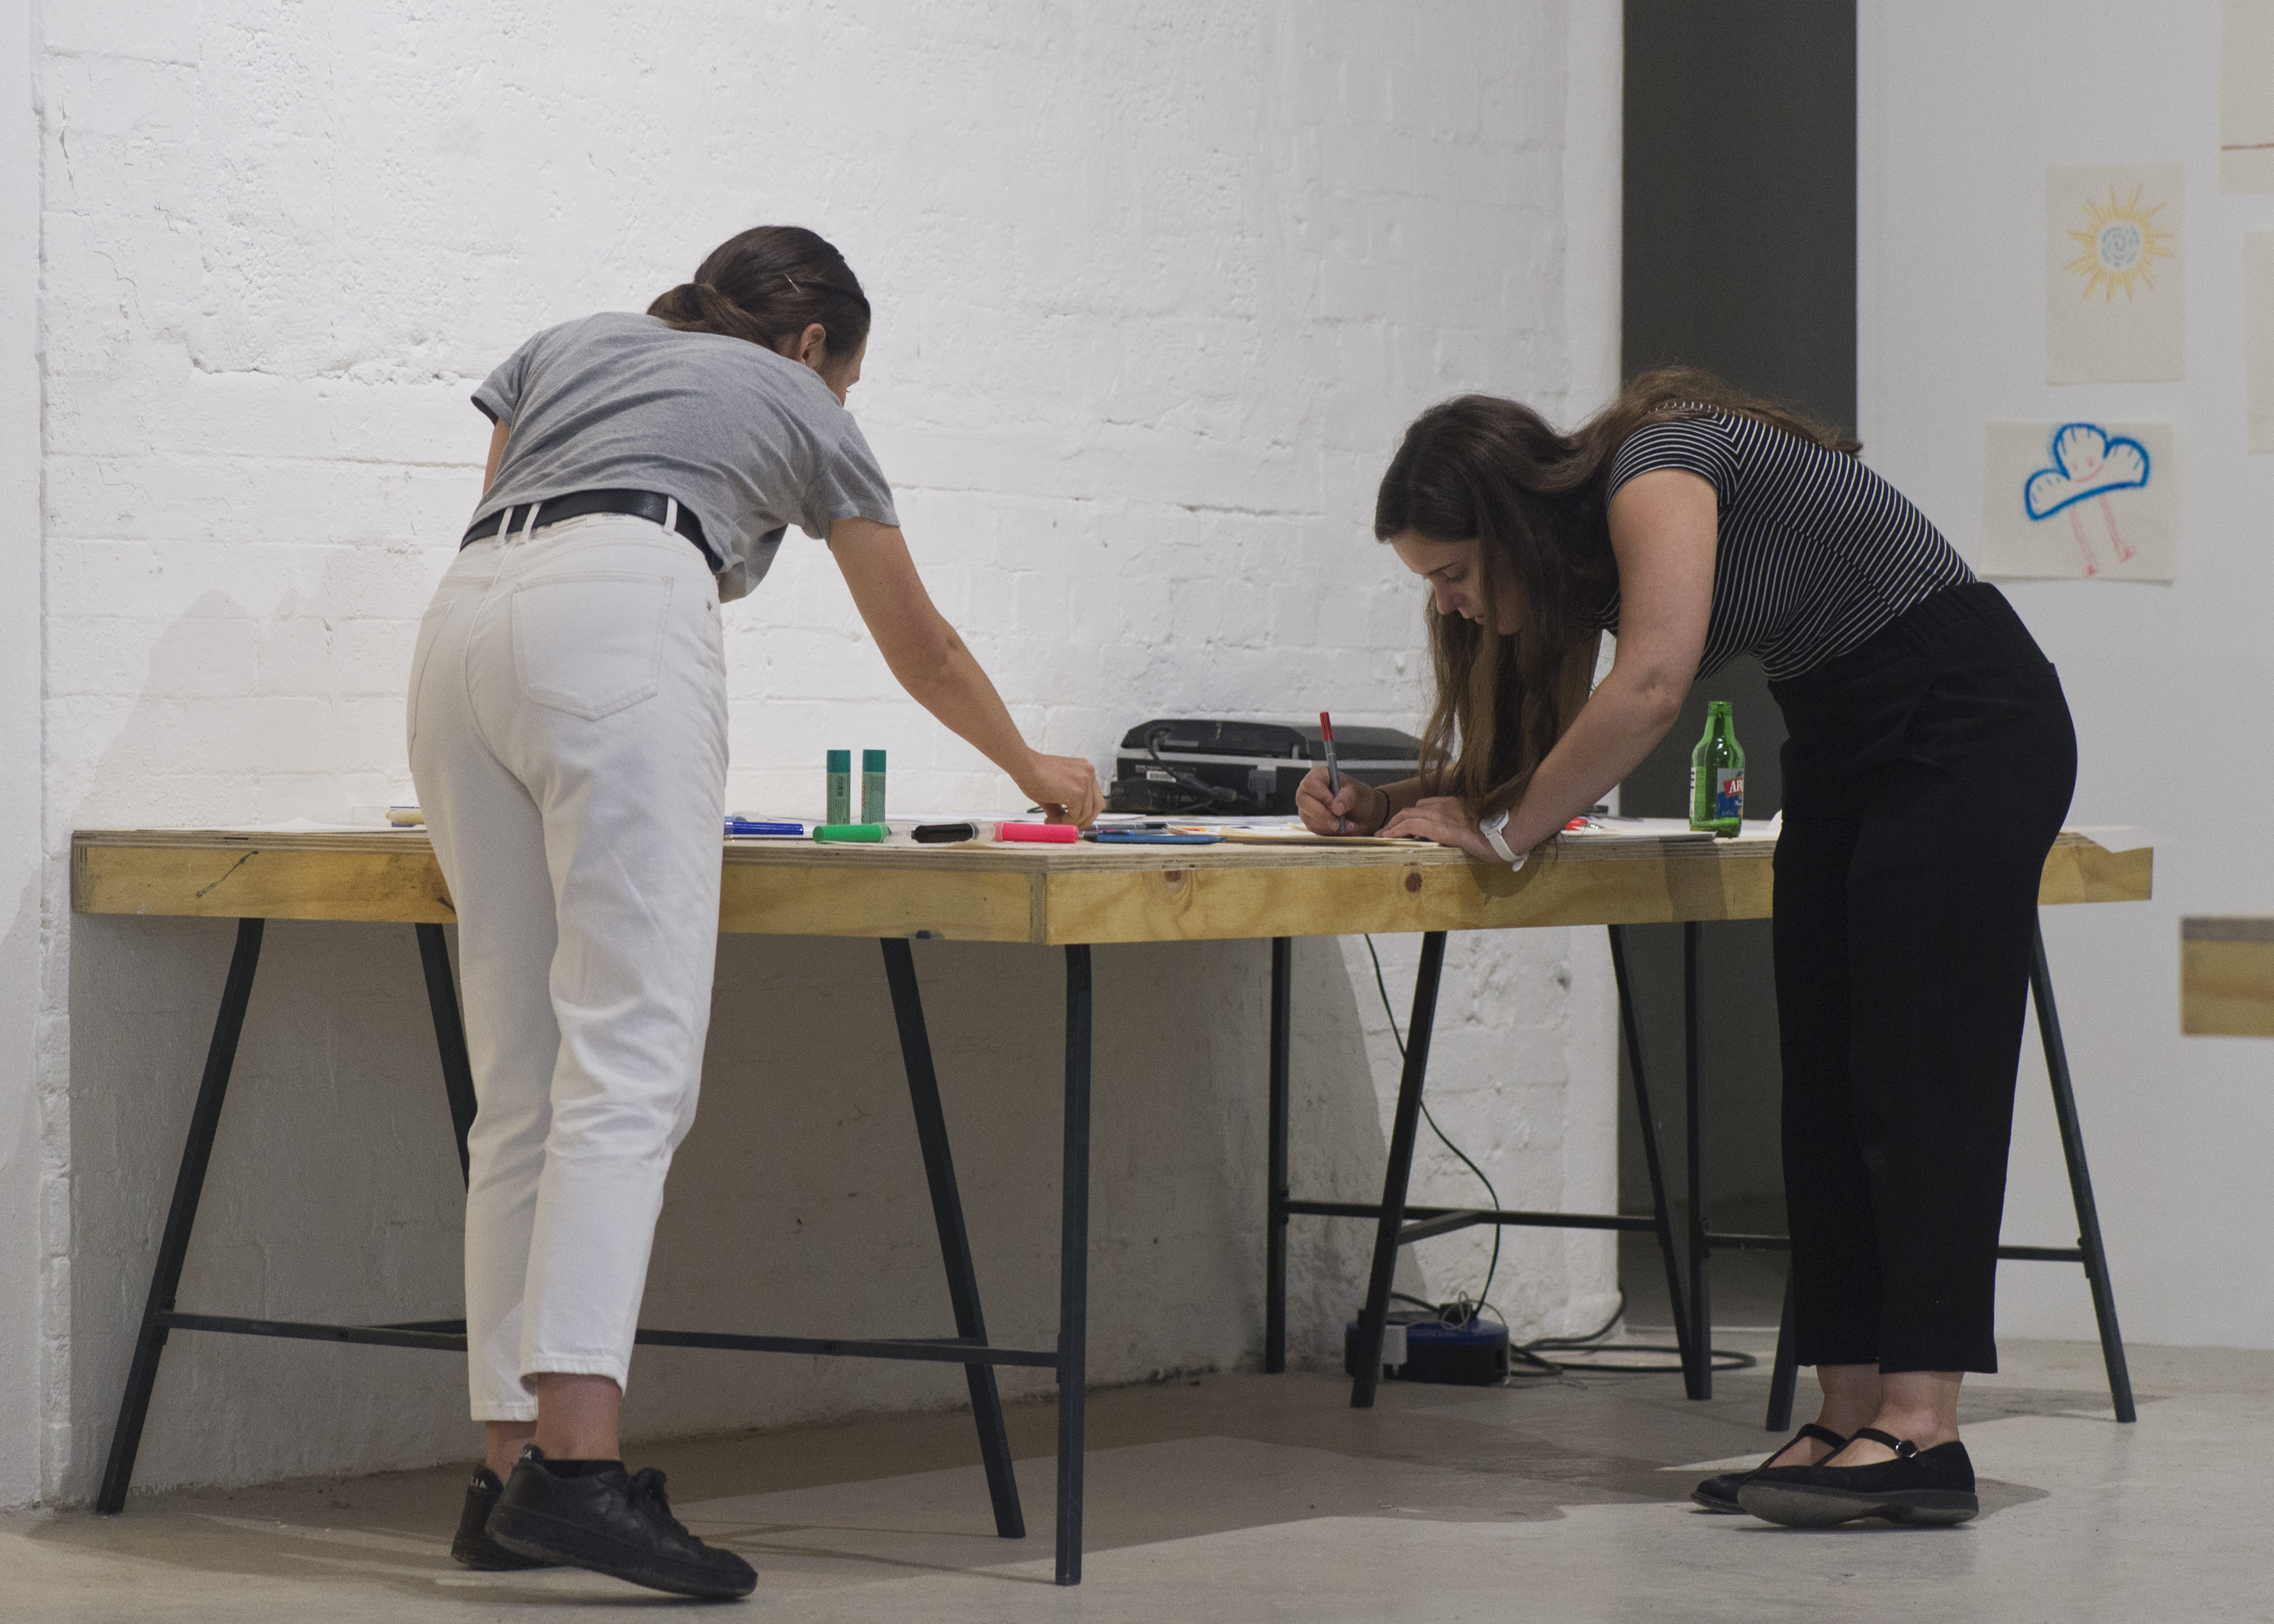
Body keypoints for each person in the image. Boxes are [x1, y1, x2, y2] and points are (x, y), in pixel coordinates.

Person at [409, 225, 1102, 1598]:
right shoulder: (797, 394)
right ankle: (583, 1474)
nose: (841, 397)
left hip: (458, 634)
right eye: (848, 375)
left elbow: (505, 515)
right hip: (620, 612)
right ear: (812, 344)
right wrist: (1035, 769)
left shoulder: (570, 344)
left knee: (523, 1077)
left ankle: (508, 1478)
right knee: (630, 1058)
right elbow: (921, 644)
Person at [1298, 372, 2075, 1530]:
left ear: (1510, 527)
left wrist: (1502, 837)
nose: (1448, 606)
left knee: (1917, 1076)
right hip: (1843, 735)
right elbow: (1548, 748)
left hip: (1966, 717)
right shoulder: (1584, 566)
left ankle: (1922, 1429)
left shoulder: (1657, 468)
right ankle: (1843, 1414)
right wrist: (1390, 801)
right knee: (1824, 1083)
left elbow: (1653, 687)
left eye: (1452, 573)